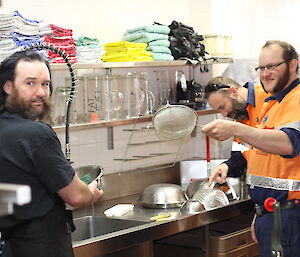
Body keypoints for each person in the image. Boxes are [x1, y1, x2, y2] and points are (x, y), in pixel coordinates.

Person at [0, 50, 104, 257]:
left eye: (45, 84)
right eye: (30, 83)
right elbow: (75, 196)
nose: (41, 92)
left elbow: (11, 194)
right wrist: (90, 192)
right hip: (43, 248)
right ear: (8, 86)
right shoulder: (36, 134)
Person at [202, 40, 300, 257]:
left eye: (272, 66)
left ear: (292, 65)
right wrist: (261, 211)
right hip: (272, 211)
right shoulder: (270, 103)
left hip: (290, 213)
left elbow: (289, 143)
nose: (266, 74)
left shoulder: (290, 99)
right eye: (261, 68)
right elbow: (250, 153)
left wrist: (235, 128)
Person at [204, 76, 269, 180]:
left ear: (233, 91)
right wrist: (226, 166)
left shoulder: (269, 97)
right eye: (219, 111)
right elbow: (240, 157)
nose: (224, 115)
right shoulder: (239, 118)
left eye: (223, 107)